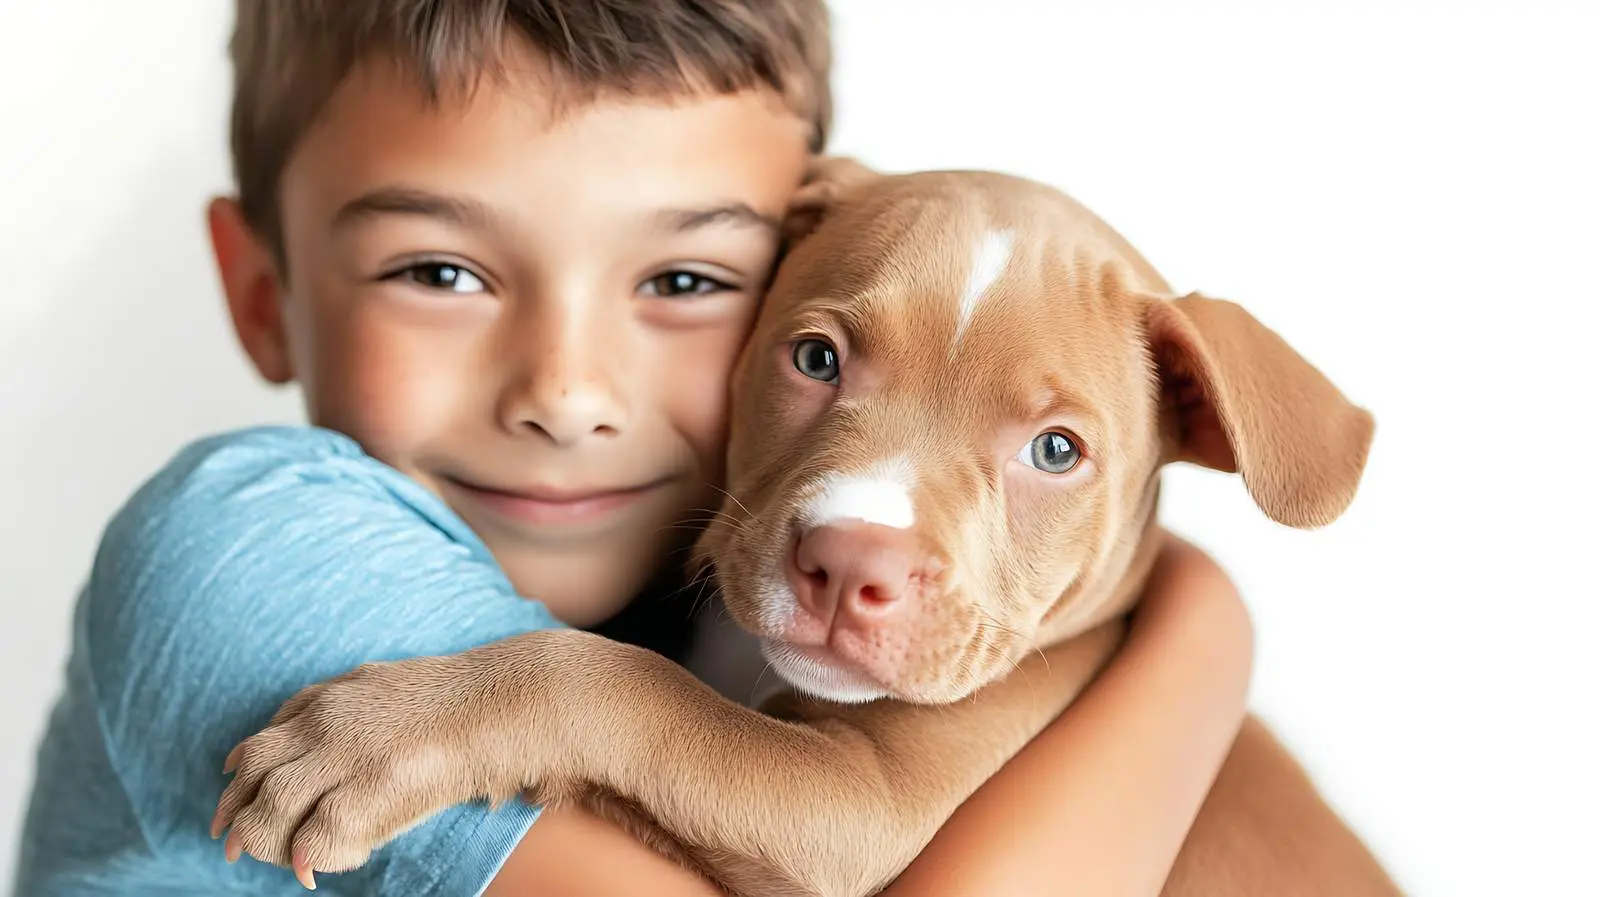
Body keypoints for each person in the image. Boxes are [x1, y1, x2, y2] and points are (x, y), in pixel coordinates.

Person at [13, 2, 1254, 894]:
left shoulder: (695, 612)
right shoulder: (250, 550)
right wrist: (1201, 637)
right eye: (440, 270)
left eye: (680, 278)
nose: (568, 394)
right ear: (261, 293)